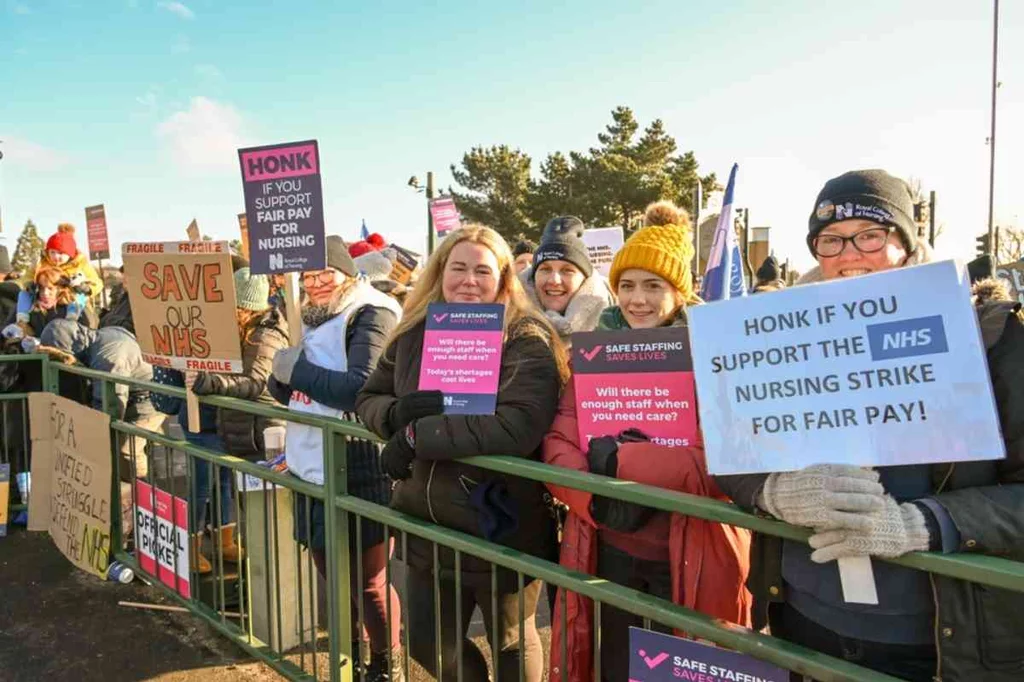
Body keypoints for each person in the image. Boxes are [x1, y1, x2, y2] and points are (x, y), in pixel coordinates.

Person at [716, 169, 1024, 682]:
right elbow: (732, 454)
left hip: (936, 642)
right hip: (803, 618)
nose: (849, 256)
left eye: (870, 236)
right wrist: (773, 491)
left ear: (906, 242)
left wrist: (925, 523)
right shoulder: (774, 338)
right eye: (830, 241)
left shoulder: (993, 336)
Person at [542, 200, 752, 682]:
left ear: (679, 293)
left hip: (691, 556)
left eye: (653, 286)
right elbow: (559, 439)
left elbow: (723, 464)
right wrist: (593, 499)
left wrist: (623, 460)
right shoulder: (595, 353)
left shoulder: (714, 359)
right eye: (628, 286)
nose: (637, 299)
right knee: (614, 666)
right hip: (607, 548)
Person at [356, 224, 568, 682]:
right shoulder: (414, 332)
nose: (468, 280)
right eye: (458, 268)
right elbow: (368, 398)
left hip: (500, 521)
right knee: (427, 643)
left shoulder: (527, 336)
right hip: (425, 521)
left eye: (482, 270)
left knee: (511, 641)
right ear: (440, 272)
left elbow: (517, 425)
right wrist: (396, 414)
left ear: (504, 278)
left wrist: (417, 436)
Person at [267, 236, 403, 682]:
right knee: (335, 581)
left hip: (359, 461)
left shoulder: (372, 311)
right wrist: (279, 379)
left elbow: (360, 387)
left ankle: (388, 664)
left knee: (368, 582)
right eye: (308, 276)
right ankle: (352, 661)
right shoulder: (306, 316)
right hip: (311, 460)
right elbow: (298, 392)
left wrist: (297, 371)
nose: (317, 283)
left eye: (326, 272)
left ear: (348, 273)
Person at [39, 318, 163, 477]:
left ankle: (140, 491)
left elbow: (111, 402)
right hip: (140, 394)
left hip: (150, 400)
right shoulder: (99, 339)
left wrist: (98, 435)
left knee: (128, 449)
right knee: (122, 447)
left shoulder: (109, 356)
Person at [521, 216, 615, 345]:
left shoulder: (617, 322)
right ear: (533, 276)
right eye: (545, 269)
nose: (554, 280)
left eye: (567, 270)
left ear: (585, 279)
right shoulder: (506, 323)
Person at [16, 224, 102, 324]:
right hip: (45, 299)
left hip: (68, 298)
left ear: (70, 254)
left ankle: (72, 317)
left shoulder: (80, 264)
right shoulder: (41, 263)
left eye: (61, 253)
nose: (56, 256)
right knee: (23, 294)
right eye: (52, 252)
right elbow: (26, 278)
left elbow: (97, 282)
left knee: (80, 296)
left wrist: (87, 288)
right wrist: (29, 284)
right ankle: (22, 320)